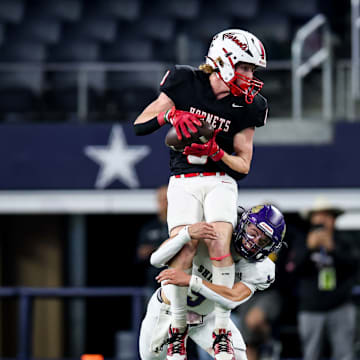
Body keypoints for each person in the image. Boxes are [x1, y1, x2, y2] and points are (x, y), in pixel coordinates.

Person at [133, 28, 269, 360]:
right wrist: (171, 114)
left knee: (220, 240)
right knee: (186, 244)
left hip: (221, 178)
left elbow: (243, 165)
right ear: (223, 60)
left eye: (253, 70)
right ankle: (177, 328)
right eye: (245, 67)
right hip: (183, 177)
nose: (250, 77)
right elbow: (140, 123)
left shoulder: (250, 106)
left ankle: (222, 329)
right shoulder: (184, 81)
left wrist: (215, 151)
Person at [138, 204, 286, 360]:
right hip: (168, 310)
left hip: (207, 316)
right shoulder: (215, 229)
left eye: (263, 242)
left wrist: (191, 281)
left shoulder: (261, 269)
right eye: (253, 233)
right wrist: (186, 234)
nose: (254, 243)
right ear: (244, 223)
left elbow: (232, 298)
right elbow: (155, 259)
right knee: (151, 358)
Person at [287, 197, 358, 360]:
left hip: (340, 305)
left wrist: (333, 249)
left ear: (333, 219)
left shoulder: (344, 240)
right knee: (311, 354)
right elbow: (292, 270)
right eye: (318, 216)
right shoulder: (302, 241)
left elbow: (353, 265)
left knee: (345, 354)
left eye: (327, 216)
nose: (322, 220)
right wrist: (308, 249)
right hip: (311, 308)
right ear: (312, 219)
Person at [136, 185, 169, 298]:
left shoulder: (181, 225)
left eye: (167, 199)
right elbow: (141, 254)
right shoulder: (149, 227)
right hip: (154, 280)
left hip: (176, 279)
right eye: (162, 199)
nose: (165, 203)